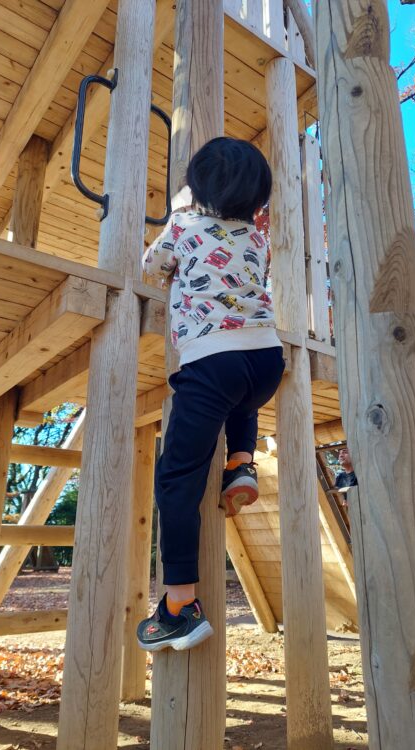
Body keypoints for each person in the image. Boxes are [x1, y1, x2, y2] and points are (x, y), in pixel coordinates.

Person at [137, 137, 285, 652]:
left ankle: (180, 605)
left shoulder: (181, 225)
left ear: (195, 189)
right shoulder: (259, 241)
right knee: (242, 401)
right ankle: (242, 461)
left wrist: (177, 215)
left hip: (211, 361)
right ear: (257, 200)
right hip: (267, 357)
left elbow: (150, 266)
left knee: (177, 478)